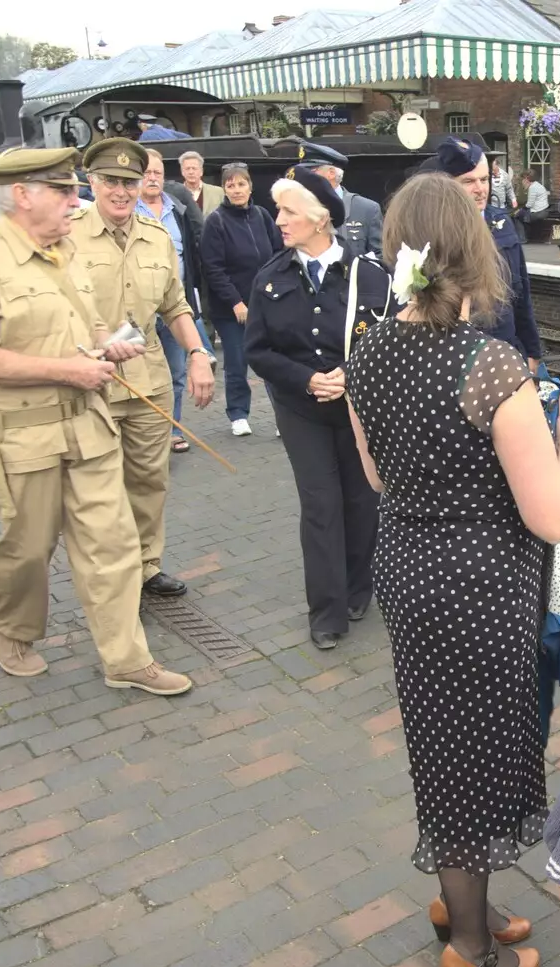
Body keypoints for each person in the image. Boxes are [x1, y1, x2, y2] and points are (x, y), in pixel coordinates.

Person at [345, 172, 560, 967]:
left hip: (409, 574)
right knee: (478, 756)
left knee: (443, 748)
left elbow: (379, 478)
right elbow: (552, 517)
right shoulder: (493, 369)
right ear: (473, 253)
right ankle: (471, 946)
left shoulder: (366, 353)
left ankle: (461, 904)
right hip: (481, 584)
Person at [0, 146, 193, 695]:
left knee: (114, 544)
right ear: (24, 195)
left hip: (88, 425)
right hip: (21, 434)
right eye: (64, 191)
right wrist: (68, 370)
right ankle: (8, 629)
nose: (76, 200)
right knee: (28, 547)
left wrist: (110, 348)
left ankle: (126, 659)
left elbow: (92, 329)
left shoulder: (66, 254)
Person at [241, 173, 389, 649]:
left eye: (288, 212)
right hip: (300, 409)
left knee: (362, 498)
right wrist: (305, 379)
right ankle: (326, 611)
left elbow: (391, 340)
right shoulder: (270, 278)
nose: (278, 220)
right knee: (320, 504)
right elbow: (257, 352)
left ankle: (357, 586)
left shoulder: (371, 275)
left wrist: (351, 374)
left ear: (321, 218)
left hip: (356, 407)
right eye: (278, 211)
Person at [72, 138, 215, 598]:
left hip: (149, 382)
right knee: (101, 492)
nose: (121, 190)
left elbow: (175, 305)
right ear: (91, 182)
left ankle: (146, 566)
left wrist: (197, 356)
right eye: (110, 181)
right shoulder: (67, 235)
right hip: (91, 384)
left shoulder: (156, 236)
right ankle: (114, 582)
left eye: (129, 181)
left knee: (150, 482)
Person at [422, 137, 544, 371]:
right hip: (458, 357)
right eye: (468, 181)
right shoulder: (434, 231)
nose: (480, 189)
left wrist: (532, 351)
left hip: (505, 350)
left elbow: (521, 292)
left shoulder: (501, 221)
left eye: (485, 179)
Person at [200, 162, 281, 437]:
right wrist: (236, 302)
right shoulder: (216, 221)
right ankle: (238, 413)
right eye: (230, 185)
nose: (236, 190)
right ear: (224, 189)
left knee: (275, 360)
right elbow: (213, 269)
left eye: (241, 184)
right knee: (237, 361)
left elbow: (278, 255)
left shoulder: (261, 216)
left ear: (251, 186)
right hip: (231, 308)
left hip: (265, 303)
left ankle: (283, 414)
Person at [137, 149, 206, 452]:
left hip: (175, 304)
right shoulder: (128, 210)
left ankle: (173, 428)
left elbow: (190, 253)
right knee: (144, 375)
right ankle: (147, 435)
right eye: (146, 173)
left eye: (157, 174)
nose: (152, 179)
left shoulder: (176, 208)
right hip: (141, 310)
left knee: (177, 372)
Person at [293, 142, 382, 258]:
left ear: (331, 173)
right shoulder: (296, 207)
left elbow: (381, 257)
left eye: (311, 172)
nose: (304, 177)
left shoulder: (366, 209)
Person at [176, 151, 223, 215]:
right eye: (187, 169)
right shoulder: (175, 194)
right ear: (182, 172)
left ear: (201, 171)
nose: (191, 172)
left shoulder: (218, 192)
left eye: (194, 168)